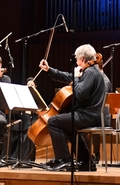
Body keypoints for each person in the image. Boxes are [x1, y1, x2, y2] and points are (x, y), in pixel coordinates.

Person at [38, 44, 106, 172]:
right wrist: (49, 70)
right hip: (89, 114)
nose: (76, 62)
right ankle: (86, 162)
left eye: (76, 59)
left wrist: (75, 78)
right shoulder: (90, 71)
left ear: (82, 59)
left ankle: (64, 160)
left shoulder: (90, 72)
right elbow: (68, 77)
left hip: (87, 115)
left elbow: (80, 94)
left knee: (53, 122)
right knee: (67, 125)